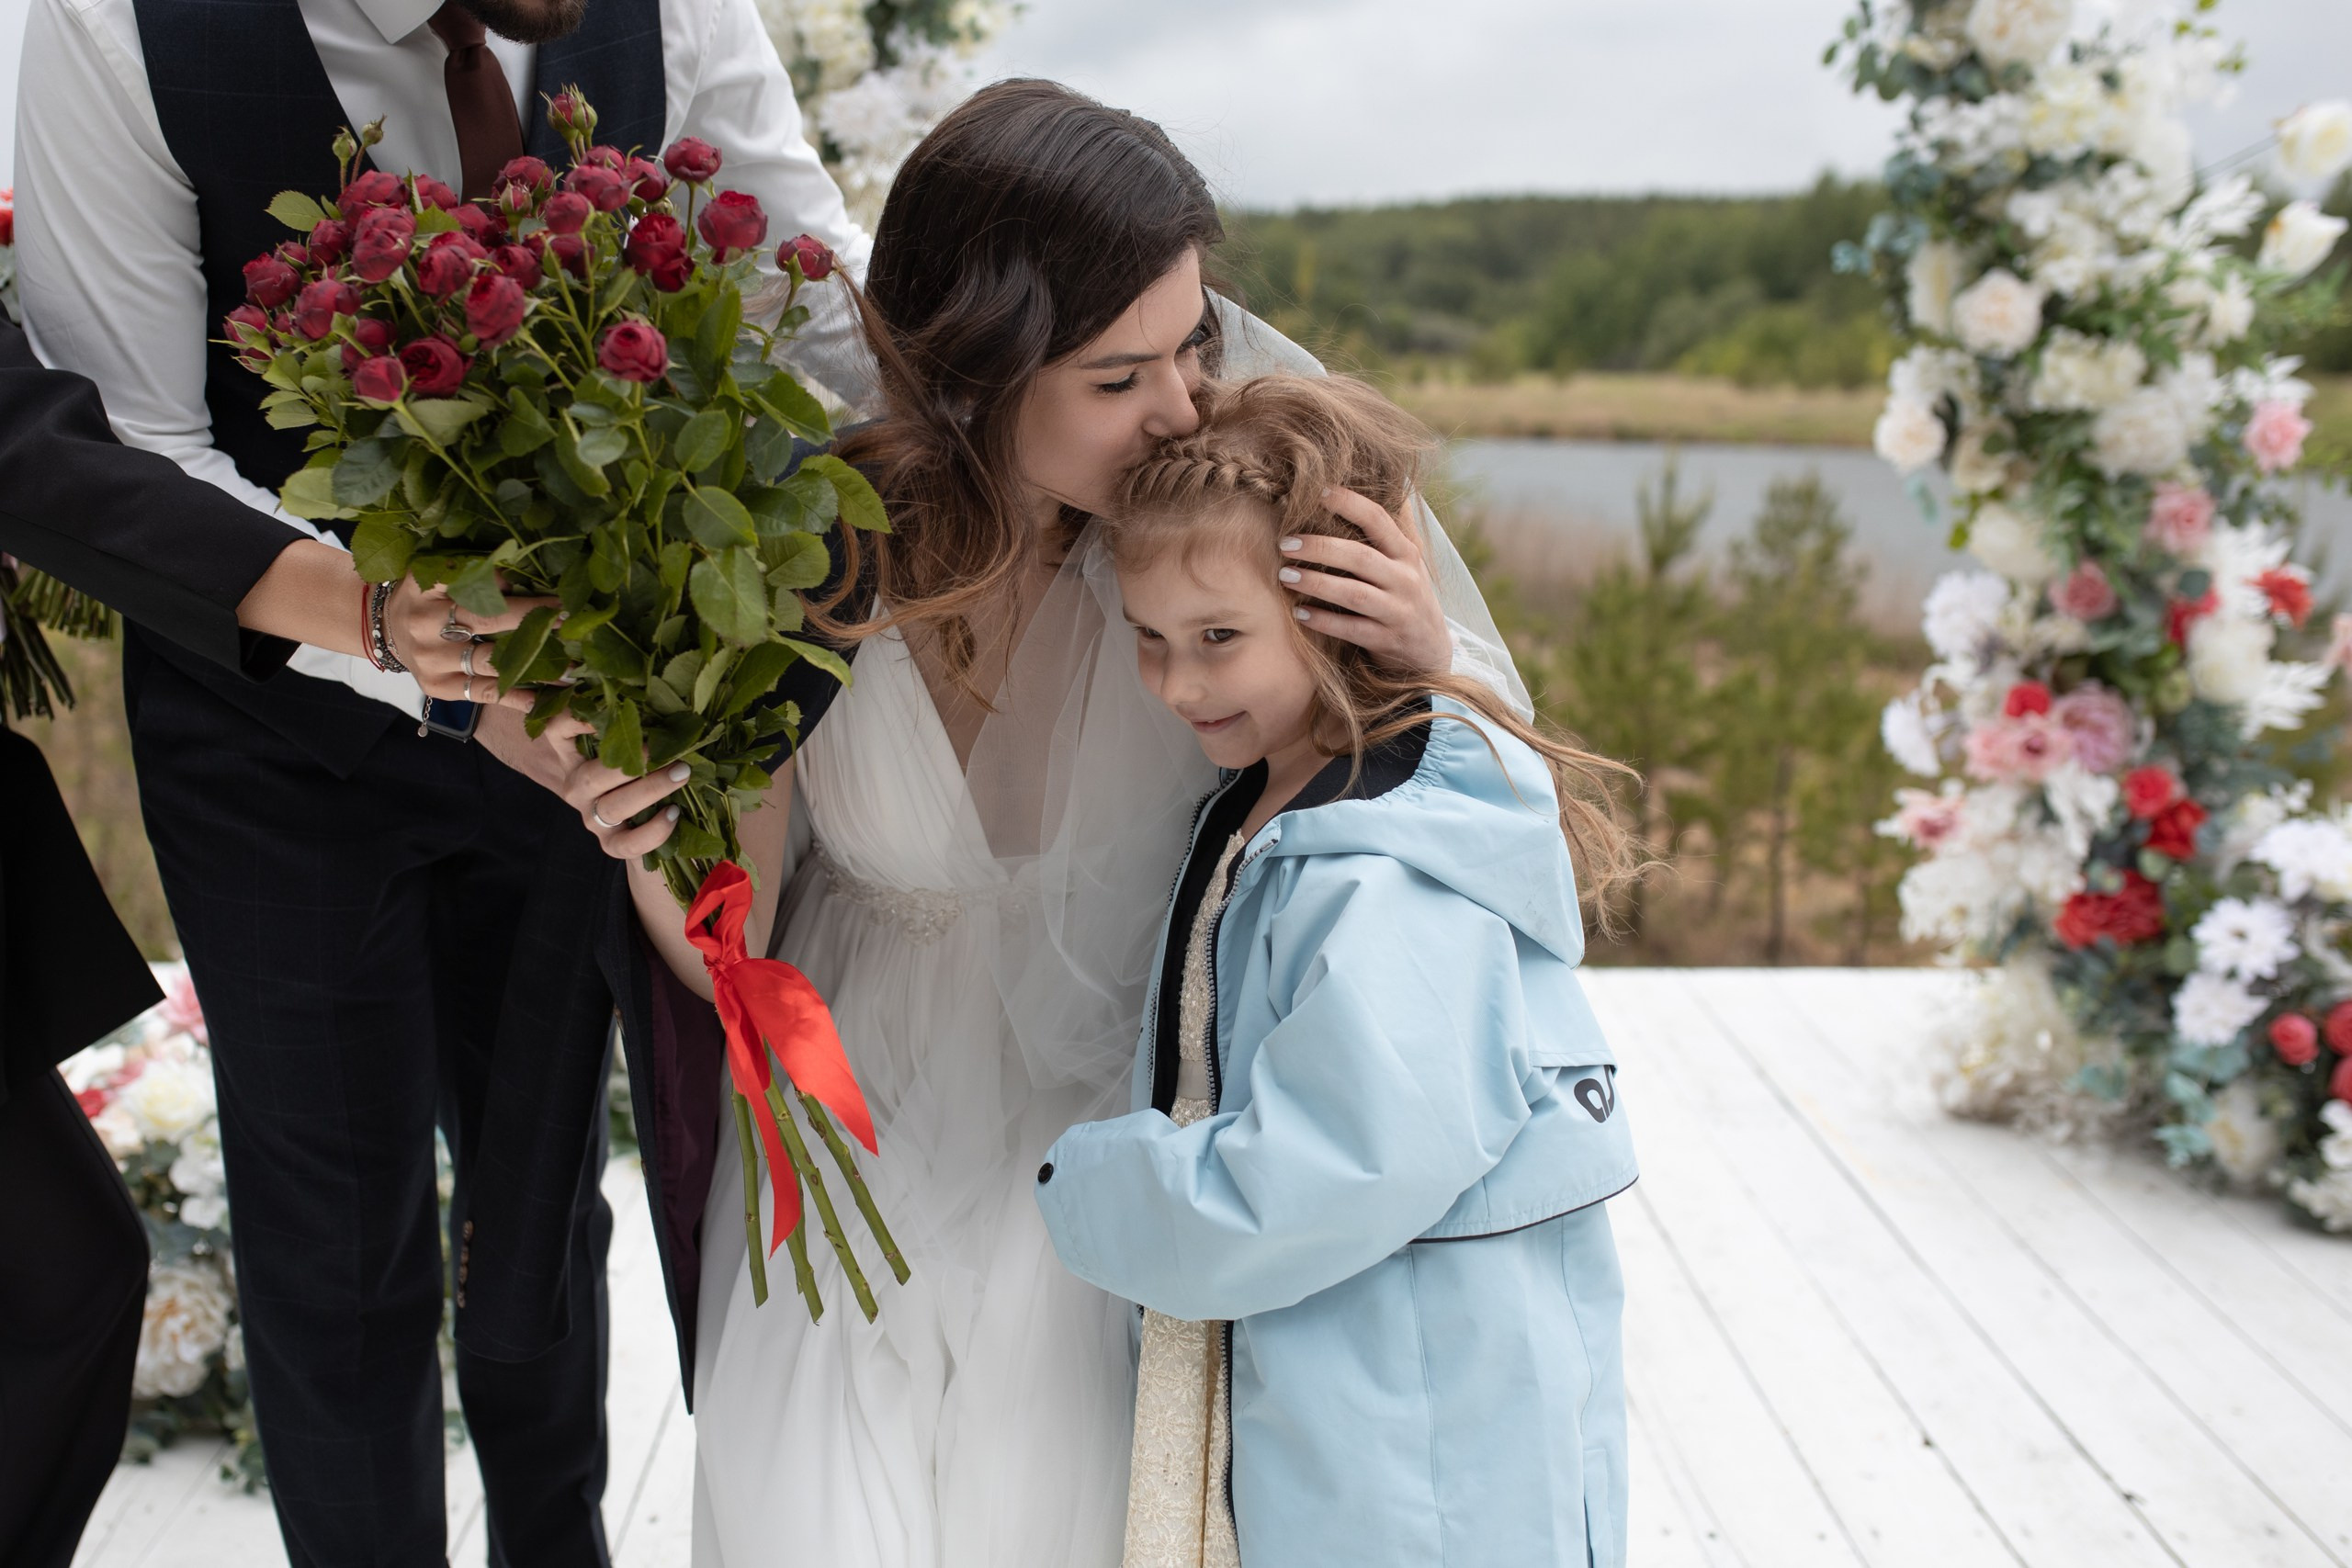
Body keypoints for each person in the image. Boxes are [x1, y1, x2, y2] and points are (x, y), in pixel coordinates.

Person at [546, 82, 1522, 1567]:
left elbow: (1463, 844)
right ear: (975, 374)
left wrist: (1420, 675)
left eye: (1194, 343)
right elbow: (725, 956)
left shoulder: (1236, 535)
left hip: (1123, 1117)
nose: (1187, 406)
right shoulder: (792, 558)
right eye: (1119, 376)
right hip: (844, 1116)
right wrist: (650, 861)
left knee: (1059, 1495)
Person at [12, 0, 871, 1553]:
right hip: (269, 733)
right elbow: (133, 433)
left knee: (539, 1229)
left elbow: (829, 322)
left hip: (582, 730)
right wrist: (410, 645)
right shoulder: (114, 25)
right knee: (336, 1260)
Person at [1033, 371, 1643, 1568]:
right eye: (1150, 641)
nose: (1178, 684)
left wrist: (1091, 1184)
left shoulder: (1385, 874)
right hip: (1365, 1379)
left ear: (1334, 609)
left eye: (1219, 640)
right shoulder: (1284, 800)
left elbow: (1345, 1161)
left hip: (1427, 1419)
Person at [0, 309, 510, 1568]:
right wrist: (369, 620)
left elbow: (36, 438)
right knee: (73, 1275)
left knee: (70, 1281)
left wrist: (366, 618)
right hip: (284, 727)